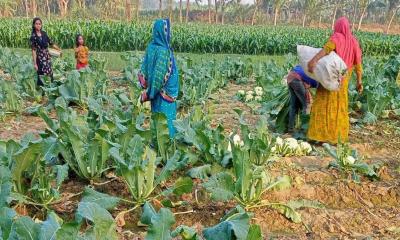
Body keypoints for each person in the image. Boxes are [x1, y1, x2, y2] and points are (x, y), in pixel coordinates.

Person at [307, 17, 363, 144]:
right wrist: (359, 82)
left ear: (337, 27)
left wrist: (314, 60)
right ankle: (338, 137)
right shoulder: (354, 42)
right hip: (344, 80)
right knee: (340, 107)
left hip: (331, 77)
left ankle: (321, 136)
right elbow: (358, 65)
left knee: (323, 104)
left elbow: (326, 50)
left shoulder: (336, 38)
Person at [138, 19, 179, 138]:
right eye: (168, 32)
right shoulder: (163, 52)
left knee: (156, 116)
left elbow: (144, 70)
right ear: (163, 33)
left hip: (155, 92)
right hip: (164, 93)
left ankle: (157, 142)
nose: (169, 35)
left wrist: (148, 89)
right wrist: (150, 93)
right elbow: (159, 77)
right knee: (166, 120)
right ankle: (166, 145)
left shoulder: (151, 47)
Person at [287, 65, 318, 133]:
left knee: (294, 105)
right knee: (306, 105)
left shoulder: (313, 66)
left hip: (290, 76)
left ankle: (290, 128)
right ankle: (304, 129)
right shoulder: (321, 79)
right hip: (297, 79)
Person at [30, 17, 61, 87]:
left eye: (39, 24)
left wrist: (59, 49)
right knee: (41, 74)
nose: (38, 25)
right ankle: (42, 91)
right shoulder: (33, 36)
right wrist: (35, 64)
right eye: (36, 24)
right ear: (34, 25)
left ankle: (51, 87)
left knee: (50, 72)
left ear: (41, 25)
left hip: (46, 56)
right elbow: (33, 50)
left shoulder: (44, 33)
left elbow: (51, 43)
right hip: (40, 58)